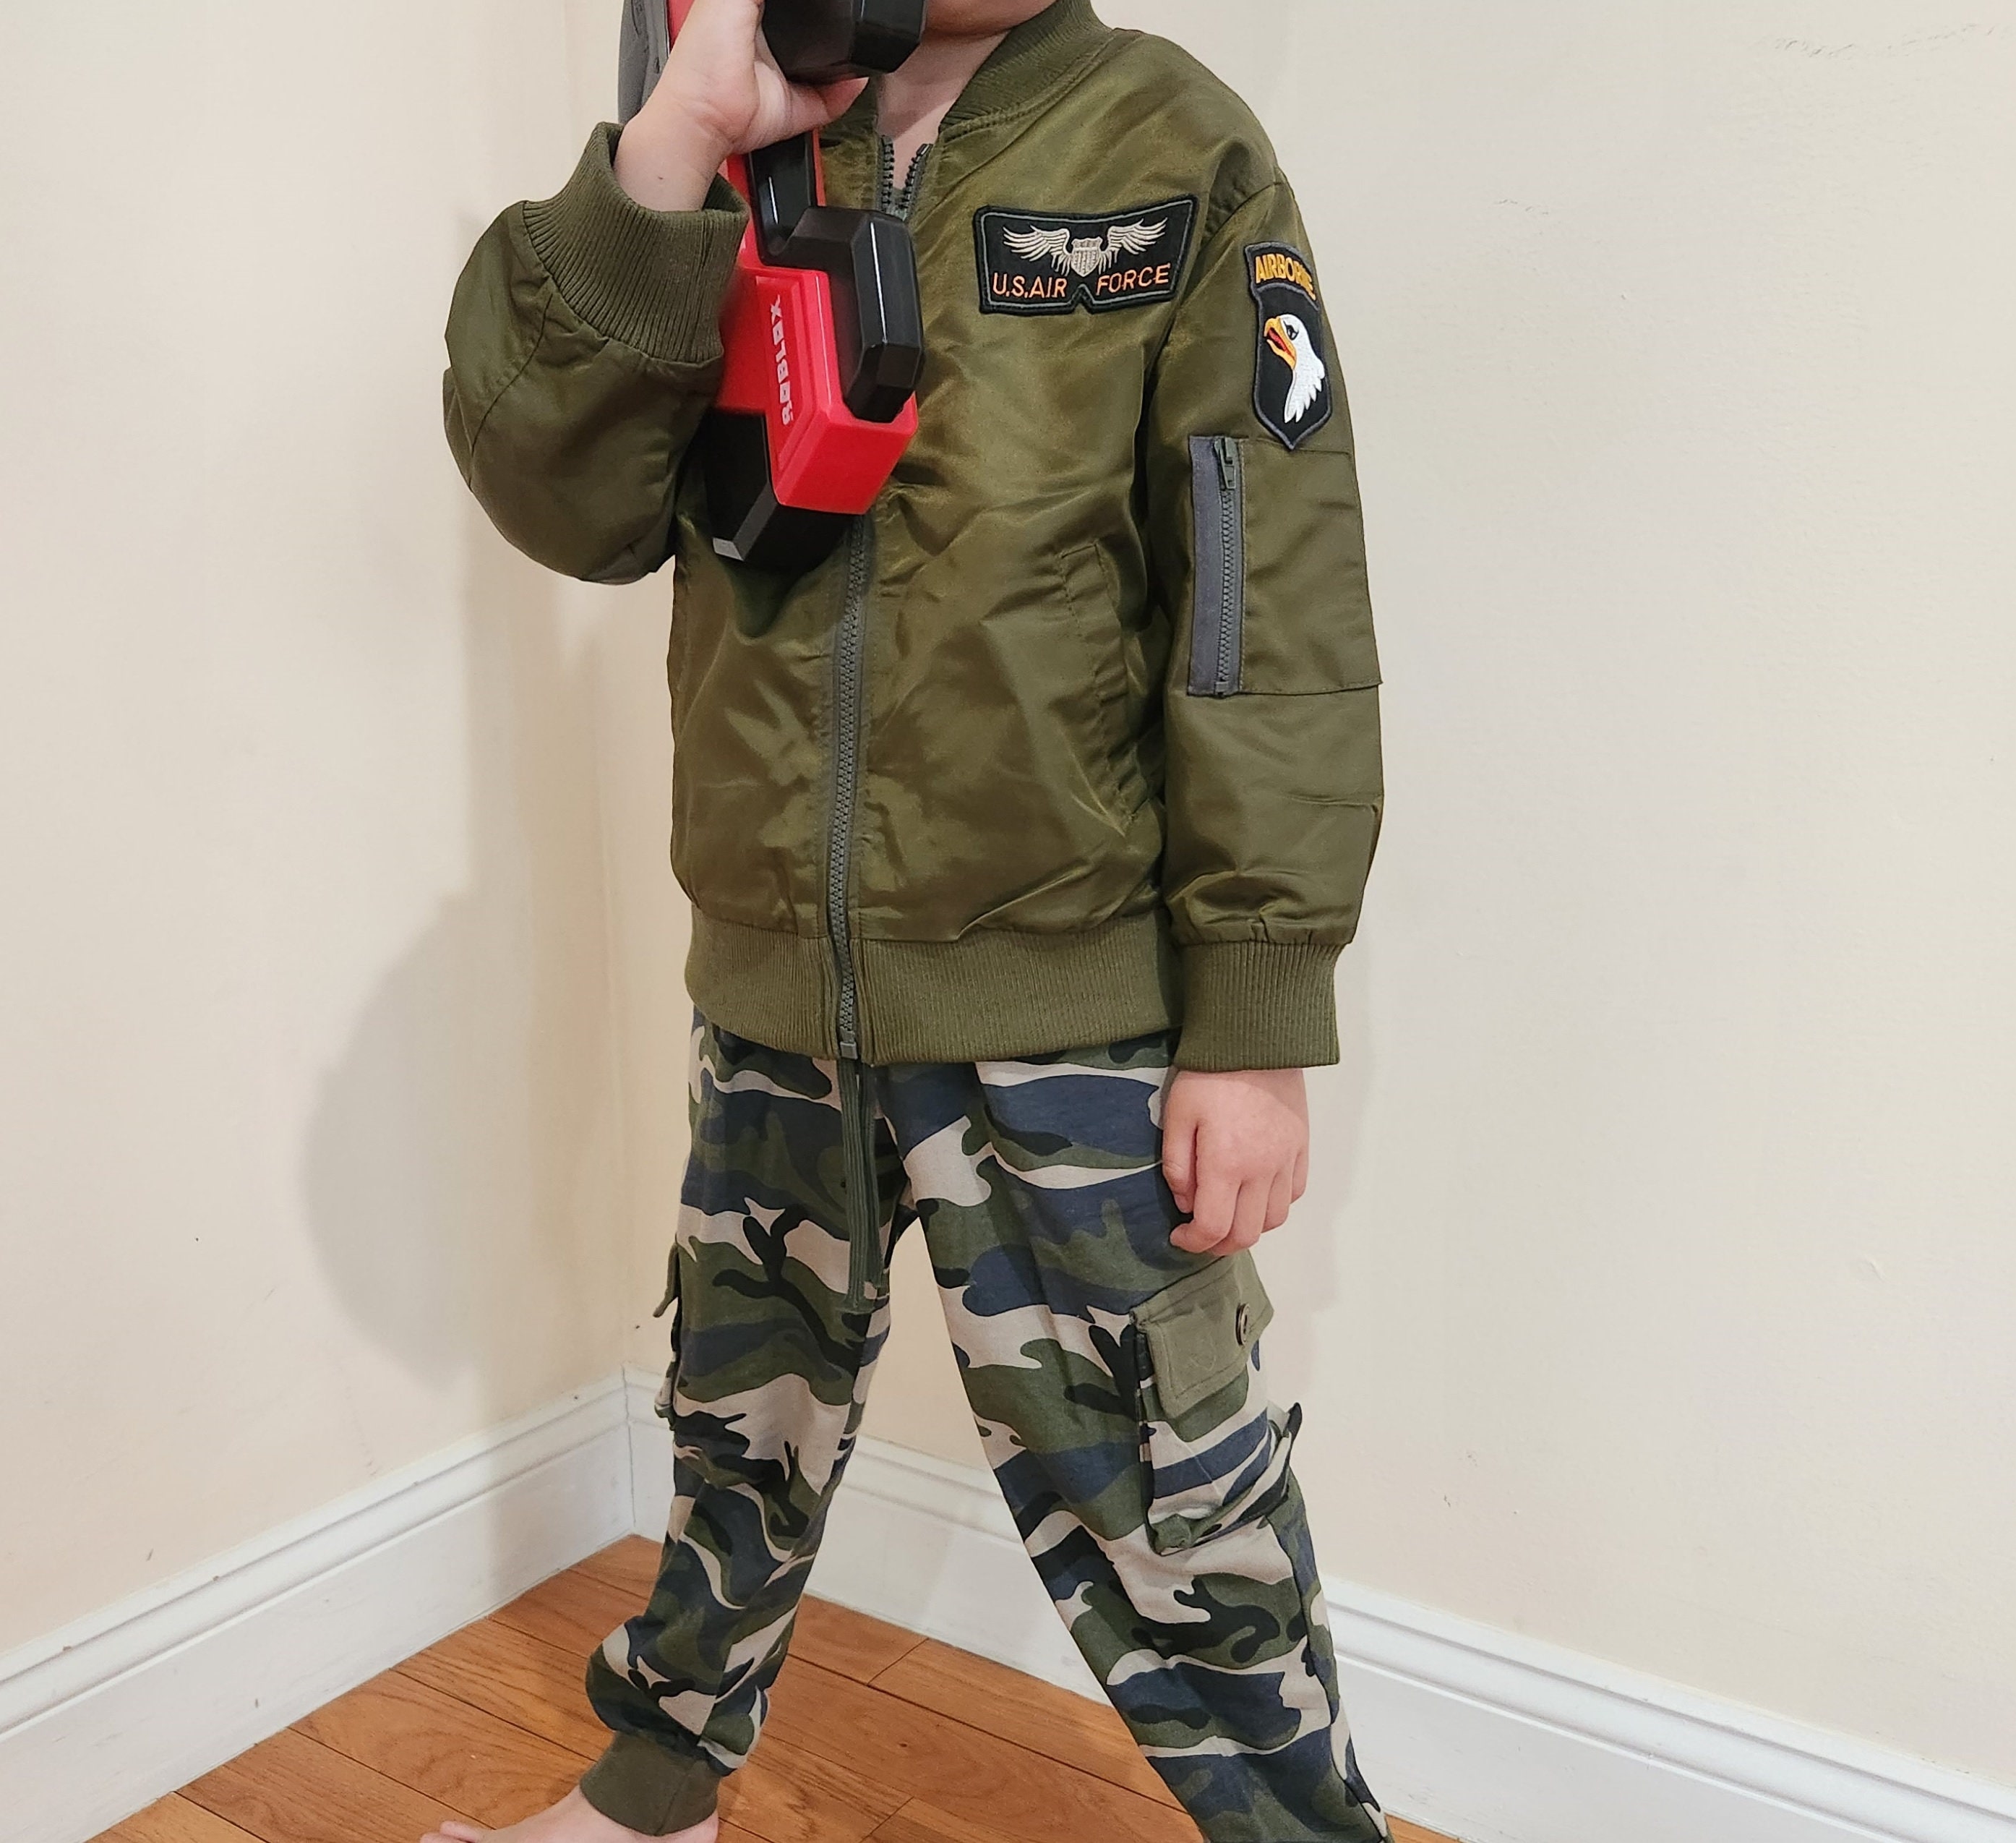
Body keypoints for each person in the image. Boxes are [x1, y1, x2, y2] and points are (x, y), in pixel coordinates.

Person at [432, 0, 1386, 1837]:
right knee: (737, 1415)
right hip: (774, 972)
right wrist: (669, 149)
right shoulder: (738, 143)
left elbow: (1260, 598)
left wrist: (1255, 1012)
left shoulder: (1170, 146)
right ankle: (655, 1794)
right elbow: (563, 496)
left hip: (1069, 985)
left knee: (1180, 1498)